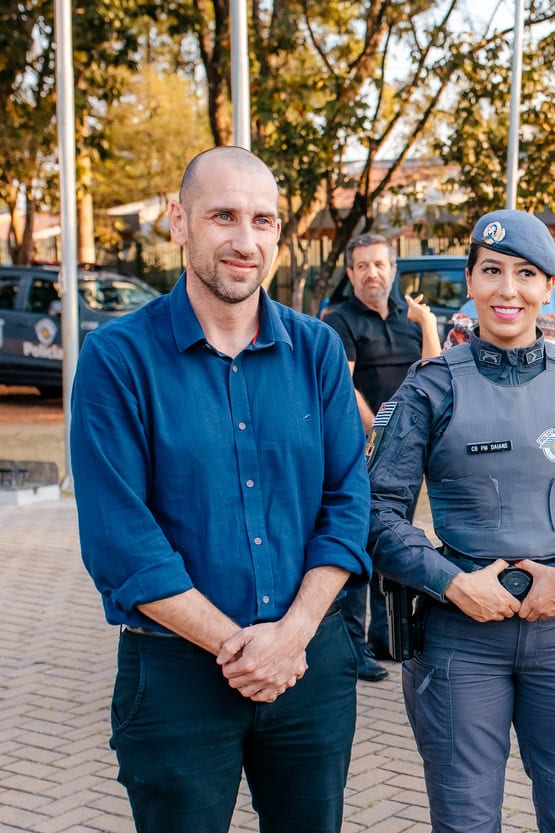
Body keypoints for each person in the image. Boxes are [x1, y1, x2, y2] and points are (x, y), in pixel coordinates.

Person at [70, 146, 370, 833]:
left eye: (263, 220)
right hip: (177, 672)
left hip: (308, 668)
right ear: (179, 221)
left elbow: (349, 502)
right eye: (223, 216)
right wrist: (244, 647)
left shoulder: (318, 350)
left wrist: (290, 637)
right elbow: (123, 540)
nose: (245, 240)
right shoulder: (117, 359)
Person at [367, 209, 555, 833]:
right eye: (492, 272)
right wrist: (449, 581)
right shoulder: (430, 388)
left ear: (549, 287)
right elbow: (375, 512)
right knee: (466, 821)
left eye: (526, 274)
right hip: (460, 638)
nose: (508, 290)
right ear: (469, 281)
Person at [323, 231, 441, 680]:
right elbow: (343, 386)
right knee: (356, 546)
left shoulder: (410, 320)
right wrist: (379, 427)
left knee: (390, 542)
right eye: (362, 266)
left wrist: (427, 324)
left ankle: (383, 637)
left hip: (406, 457)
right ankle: (352, 648)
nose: (372, 273)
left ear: (393, 270)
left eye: (380, 264)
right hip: (359, 453)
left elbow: (433, 378)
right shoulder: (342, 321)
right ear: (351, 273)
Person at [458, 281, 555, 361]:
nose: (509, 291)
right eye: (493, 270)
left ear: (549, 284)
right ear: (469, 279)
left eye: (526, 272)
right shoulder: (469, 311)